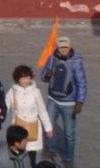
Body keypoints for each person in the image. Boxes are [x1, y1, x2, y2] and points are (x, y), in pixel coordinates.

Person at [40, 36, 87, 168]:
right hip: (53, 99)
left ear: (70, 47)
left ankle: (69, 157)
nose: (64, 49)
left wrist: (80, 101)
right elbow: (43, 77)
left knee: (69, 133)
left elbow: (82, 83)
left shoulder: (76, 62)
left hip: (69, 102)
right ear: (57, 47)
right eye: (61, 47)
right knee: (49, 125)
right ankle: (51, 148)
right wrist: (47, 75)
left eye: (66, 47)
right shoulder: (52, 59)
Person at [5, 64, 52, 167]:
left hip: (33, 128)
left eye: (28, 78)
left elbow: (42, 111)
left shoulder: (36, 92)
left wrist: (48, 127)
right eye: (23, 78)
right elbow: (5, 107)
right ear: (17, 79)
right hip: (18, 128)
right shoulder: (12, 92)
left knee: (32, 156)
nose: (26, 80)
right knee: (19, 154)